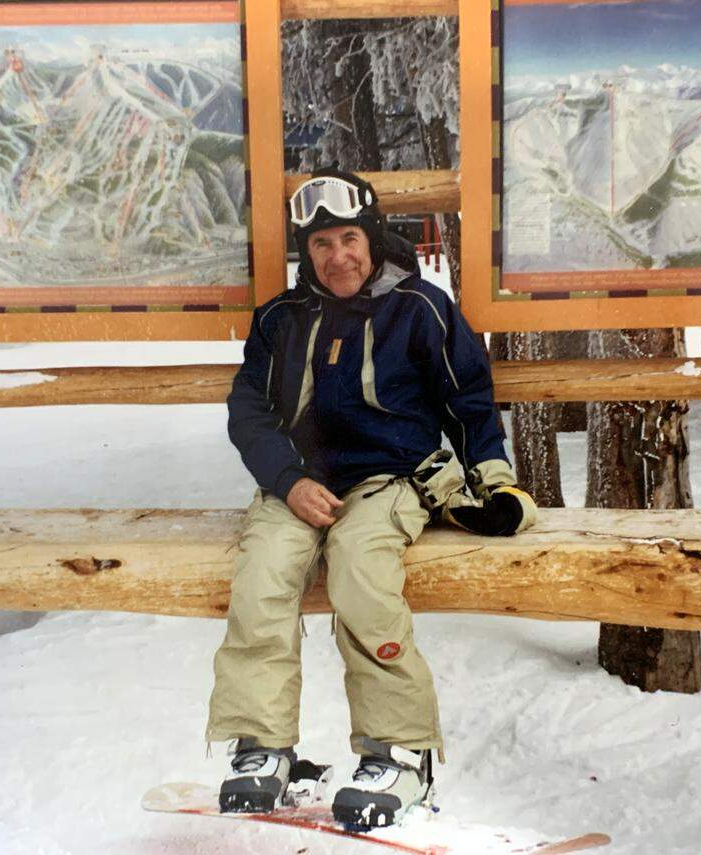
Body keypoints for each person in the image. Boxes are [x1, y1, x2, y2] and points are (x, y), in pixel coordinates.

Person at [206, 167, 536, 828]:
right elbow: (250, 412)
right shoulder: (281, 318)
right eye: (321, 244)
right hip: (298, 483)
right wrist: (287, 480)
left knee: (360, 572)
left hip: (390, 478)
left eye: (349, 238)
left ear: (374, 236)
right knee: (263, 574)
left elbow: (468, 400)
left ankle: (399, 750)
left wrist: (494, 481)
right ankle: (262, 744)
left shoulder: (420, 308)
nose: (338, 257)